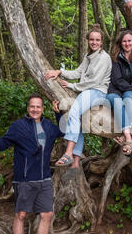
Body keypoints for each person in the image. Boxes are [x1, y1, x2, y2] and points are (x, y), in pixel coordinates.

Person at [0, 94, 64, 234]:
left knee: (46, 215)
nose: (35, 109)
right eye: (32, 106)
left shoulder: (49, 126)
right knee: (20, 215)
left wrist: (58, 114)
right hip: (25, 179)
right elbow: (1, 146)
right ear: (28, 108)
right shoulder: (18, 126)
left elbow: (64, 131)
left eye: (38, 107)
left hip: (44, 179)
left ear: (43, 109)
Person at [45, 24, 112, 168]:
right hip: (87, 91)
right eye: (92, 39)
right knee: (78, 120)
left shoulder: (103, 58)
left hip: (97, 92)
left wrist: (72, 86)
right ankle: (75, 162)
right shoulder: (88, 56)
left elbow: (94, 81)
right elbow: (78, 72)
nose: (94, 42)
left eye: (97, 40)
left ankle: (68, 152)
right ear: (88, 40)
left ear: (101, 42)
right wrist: (59, 71)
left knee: (74, 111)